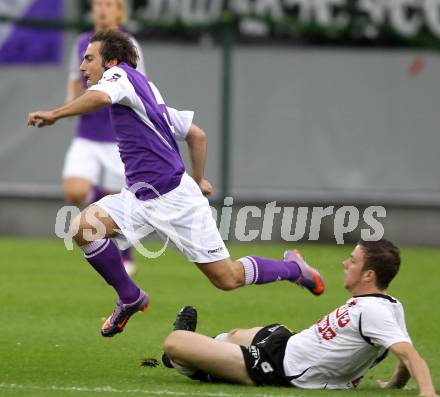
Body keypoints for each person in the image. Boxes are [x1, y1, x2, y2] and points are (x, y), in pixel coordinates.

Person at [27, 29, 325, 339]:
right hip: (138, 197)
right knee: (83, 227)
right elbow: (196, 134)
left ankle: (294, 269)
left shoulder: (119, 76)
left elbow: (100, 97)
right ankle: (130, 297)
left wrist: (56, 114)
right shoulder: (146, 92)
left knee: (227, 278)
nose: (82, 66)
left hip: (175, 201)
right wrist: (196, 180)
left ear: (111, 61)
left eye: (88, 58)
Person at [161, 240, 439, 397]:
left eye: (352, 261)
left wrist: (427, 392)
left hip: (280, 367)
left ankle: (182, 362)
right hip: (289, 341)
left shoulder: (375, 312)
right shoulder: (388, 305)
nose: (344, 264)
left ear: (369, 275)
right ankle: (199, 354)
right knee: (232, 336)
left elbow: (409, 354)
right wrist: (393, 384)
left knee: (175, 343)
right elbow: (403, 352)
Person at [63, 0, 145, 275]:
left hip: (116, 135)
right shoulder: (82, 42)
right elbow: (75, 78)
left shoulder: (128, 44)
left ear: (119, 10)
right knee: (74, 191)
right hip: (87, 133)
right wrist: (68, 106)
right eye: (98, 3)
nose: (102, 8)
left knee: (116, 201)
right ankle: (96, 199)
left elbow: (138, 85)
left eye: (109, 3)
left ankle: (125, 251)